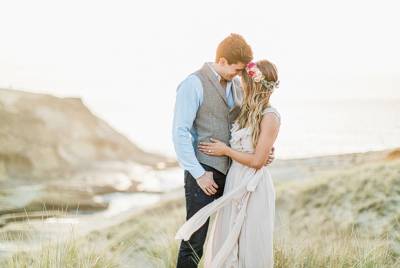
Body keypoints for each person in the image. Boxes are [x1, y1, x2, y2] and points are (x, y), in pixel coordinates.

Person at [175, 59, 281, 268]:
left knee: (249, 243)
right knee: (225, 241)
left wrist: (226, 151)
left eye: (245, 79)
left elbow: (258, 160)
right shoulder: (245, 111)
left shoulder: (270, 116)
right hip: (234, 180)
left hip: (253, 186)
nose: (240, 81)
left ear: (255, 84)